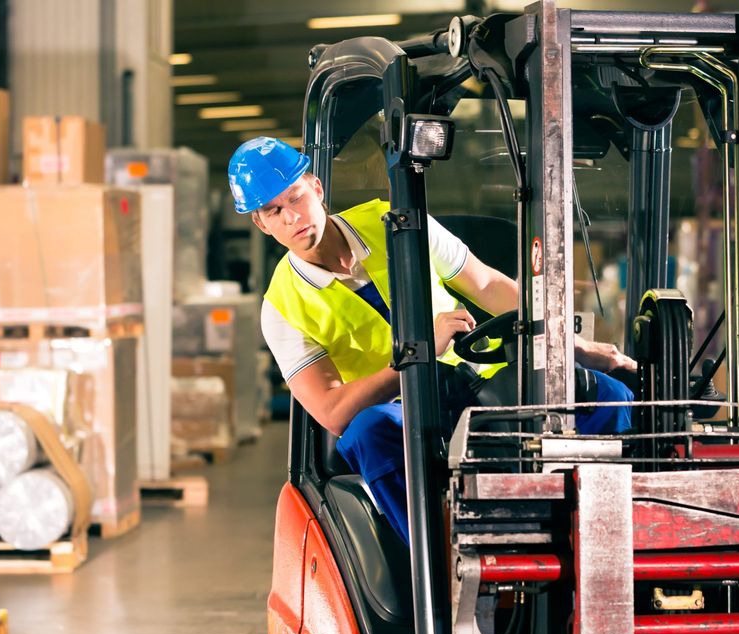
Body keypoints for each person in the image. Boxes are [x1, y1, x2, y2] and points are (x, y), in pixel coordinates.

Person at [229, 136, 634, 543]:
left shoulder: (396, 221)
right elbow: (333, 411)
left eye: (295, 198)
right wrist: (416, 351)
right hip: (408, 410)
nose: (290, 217)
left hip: (485, 382)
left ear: (316, 188)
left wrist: (571, 346)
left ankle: (599, 542)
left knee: (608, 396)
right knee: (369, 433)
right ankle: (443, 566)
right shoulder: (281, 308)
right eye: (273, 211)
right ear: (261, 223)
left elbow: (487, 283)